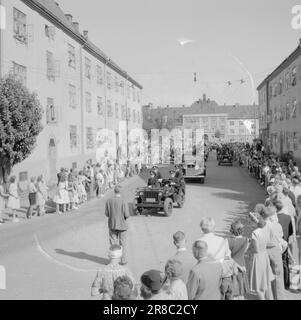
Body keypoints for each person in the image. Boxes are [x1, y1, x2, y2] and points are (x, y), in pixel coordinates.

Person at [248, 211, 274, 300]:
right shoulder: (265, 229)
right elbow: (268, 243)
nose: (249, 223)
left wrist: (249, 247)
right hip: (264, 256)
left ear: (254, 222)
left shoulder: (255, 233)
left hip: (257, 259)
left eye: (250, 221)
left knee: (258, 287)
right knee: (266, 283)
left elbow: (256, 249)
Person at [105, 185, 129, 265]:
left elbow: (106, 213)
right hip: (122, 225)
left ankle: (113, 260)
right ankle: (123, 260)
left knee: (113, 243)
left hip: (112, 224)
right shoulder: (123, 201)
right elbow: (127, 214)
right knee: (123, 243)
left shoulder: (109, 201)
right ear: (120, 192)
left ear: (114, 191)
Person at [228, 220, 250, 300]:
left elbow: (227, 256)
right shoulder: (246, 240)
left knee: (233, 290)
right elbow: (244, 251)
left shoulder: (228, 241)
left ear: (232, 230)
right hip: (242, 264)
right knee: (241, 289)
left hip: (231, 266)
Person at [275, 200, 294, 290]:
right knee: (285, 262)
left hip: (276, 242)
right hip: (284, 241)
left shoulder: (274, 218)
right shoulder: (288, 217)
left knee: (276, 263)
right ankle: (286, 283)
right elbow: (291, 231)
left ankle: (277, 283)